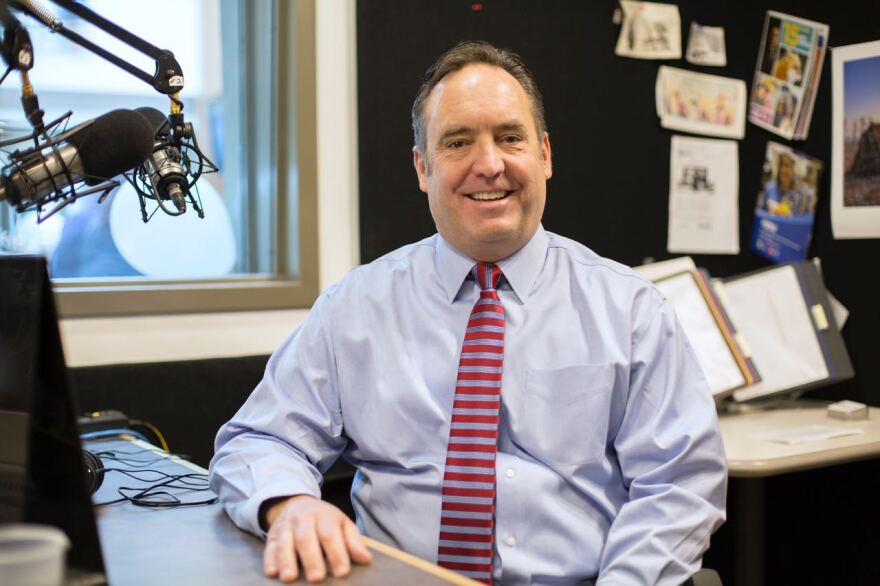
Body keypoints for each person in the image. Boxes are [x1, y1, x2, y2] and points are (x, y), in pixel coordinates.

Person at [210, 41, 727, 585]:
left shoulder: (630, 311)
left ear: (544, 156)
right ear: (422, 167)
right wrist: (289, 505)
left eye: (510, 138)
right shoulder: (355, 309)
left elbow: (679, 485)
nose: (489, 164)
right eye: (458, 142)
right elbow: (259, 439)